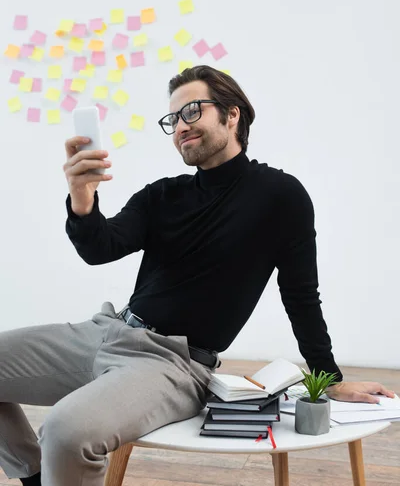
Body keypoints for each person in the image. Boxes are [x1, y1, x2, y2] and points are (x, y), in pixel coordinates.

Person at [0, 65, 394, 486]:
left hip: (172, 362)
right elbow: (101, 249)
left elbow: (300, 294)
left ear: (232, 114)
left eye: (191, 112)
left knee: (66, 429)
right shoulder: (162, 194)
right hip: (107, 331)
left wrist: (329, 379)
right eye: (172, 120)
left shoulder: (281, 196)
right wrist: (82, 200)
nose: (179, 128)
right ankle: (36, 476)